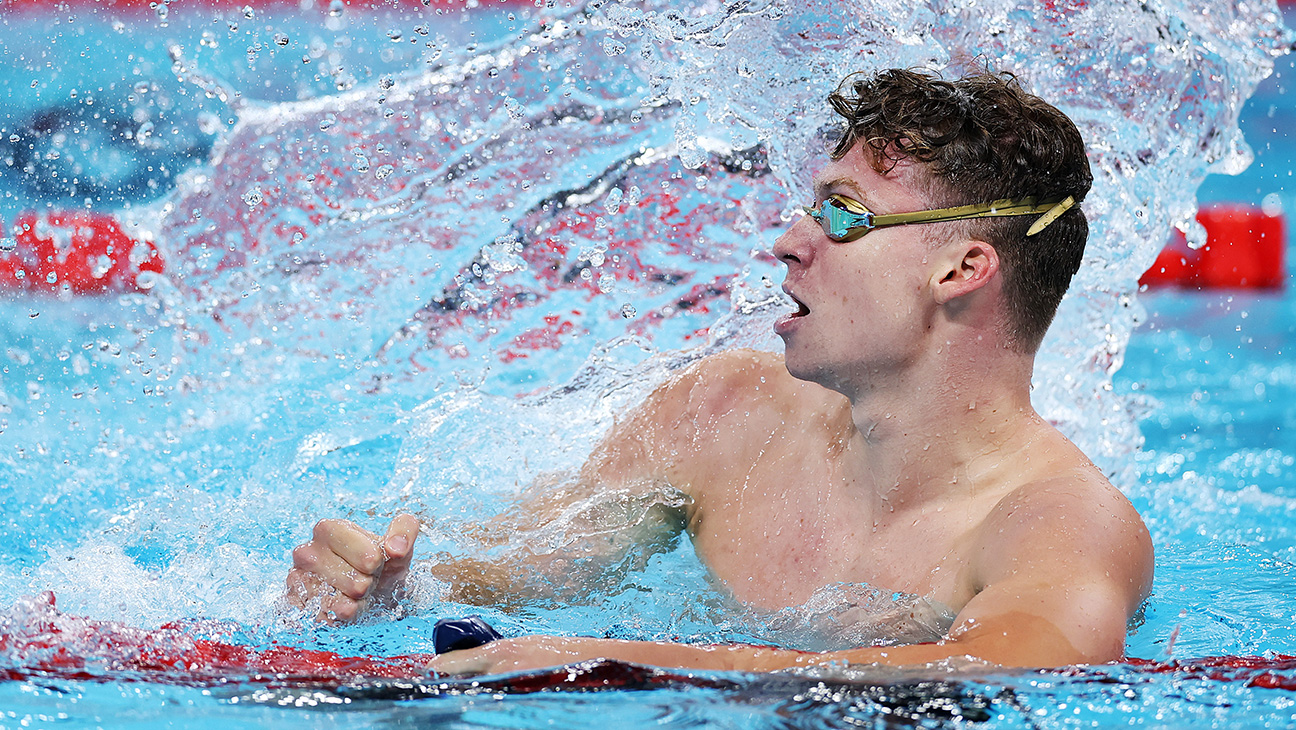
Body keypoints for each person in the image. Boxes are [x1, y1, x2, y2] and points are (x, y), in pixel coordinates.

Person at [285, 68, 1154, 675]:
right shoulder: (723, 413)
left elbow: (1017, 671)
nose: (789, 241)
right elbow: (520, 577)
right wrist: (382, 591)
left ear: (962, 271)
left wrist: (612, 664)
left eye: (844, 218)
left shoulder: (1060, 524)